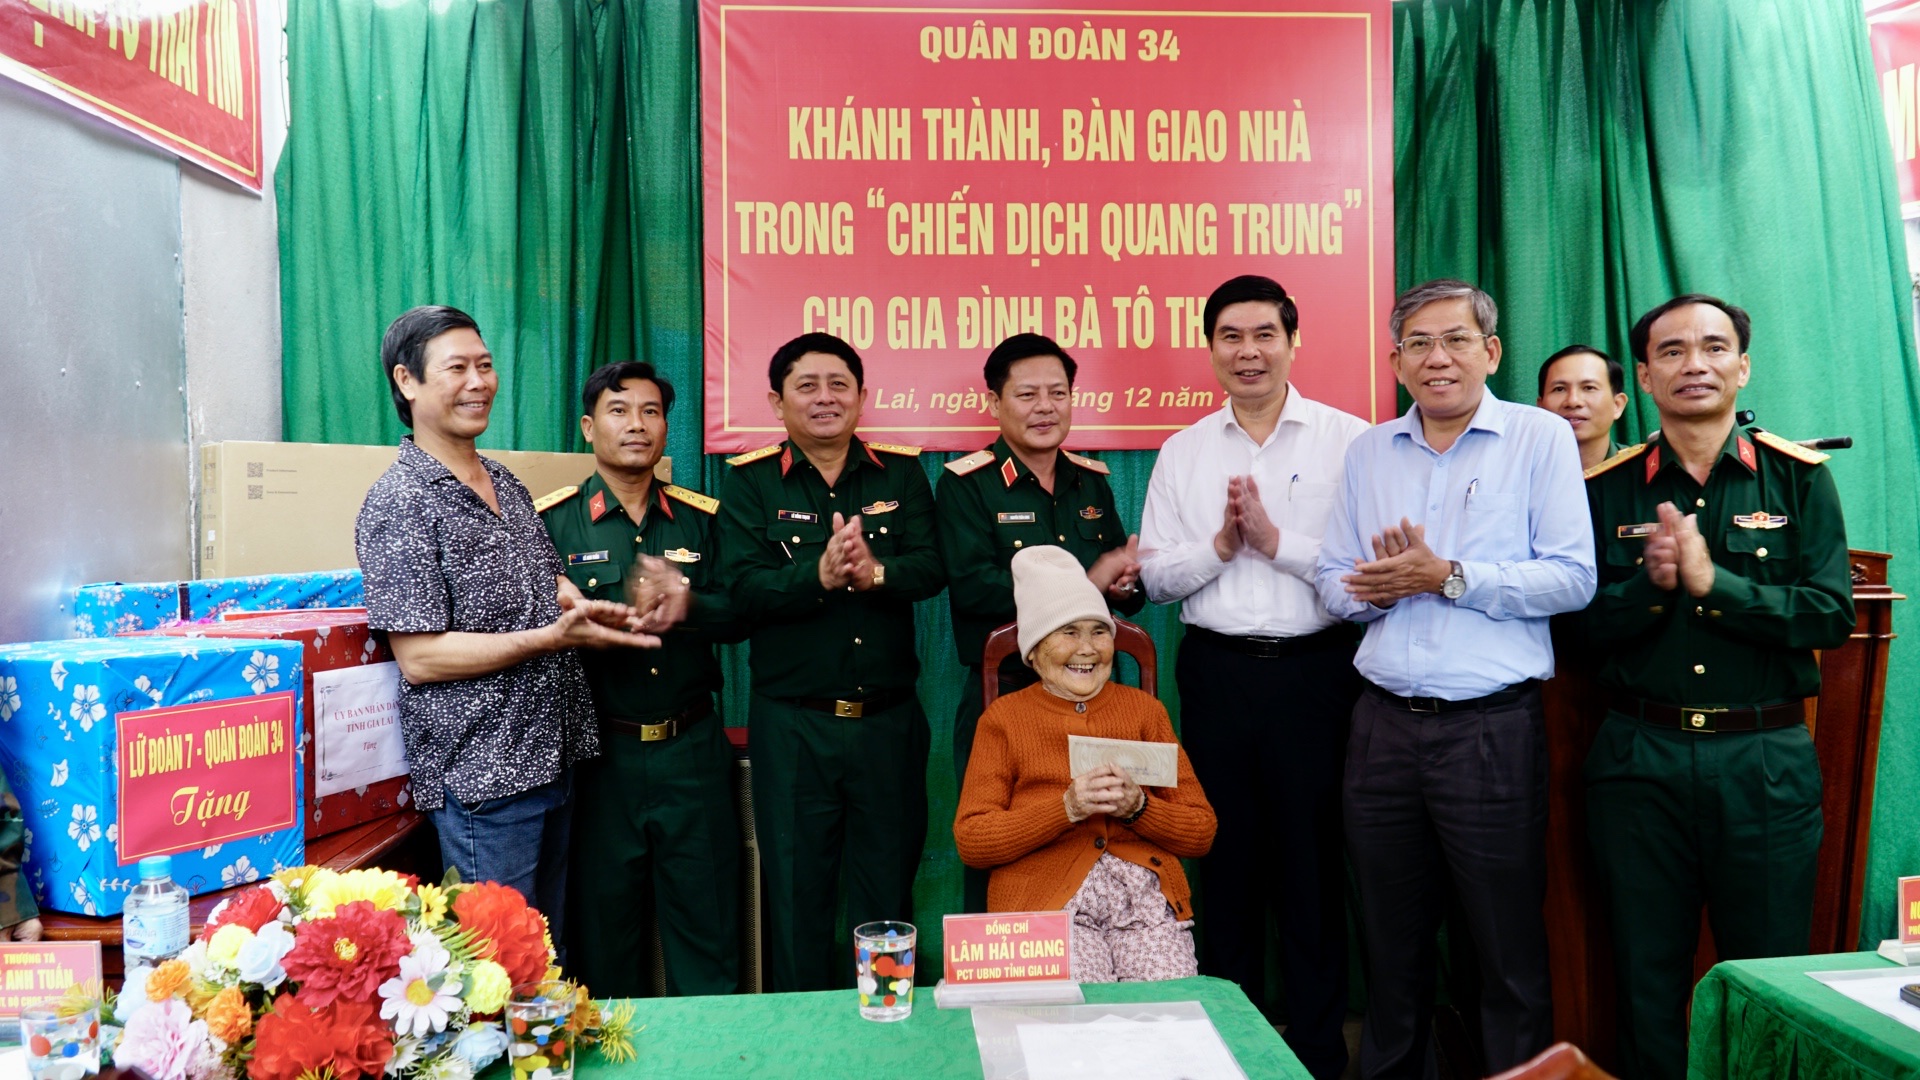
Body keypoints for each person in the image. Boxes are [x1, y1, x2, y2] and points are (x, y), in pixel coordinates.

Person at [1314, 279, 1596, 1078]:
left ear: (1491, 352)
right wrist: (1374, 588)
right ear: (1396, 359)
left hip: (1489, 731)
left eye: (1456, 340)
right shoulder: (1370, 451)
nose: (1438, 359)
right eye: (1419, 344)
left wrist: (1448, 576)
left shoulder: (1539, 439)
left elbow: (1573, 578)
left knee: (1505, 949)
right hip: (1381, 730)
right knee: (1390, 945)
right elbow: (1332, 582)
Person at [1581, 295, 1852, 1080]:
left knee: (1766, 980)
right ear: (1644, 375)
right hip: (1639, 761)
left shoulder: (1798, 481)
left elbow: (1831, 615)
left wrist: (1716, 583)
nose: (1693, 364)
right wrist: (1656, 588)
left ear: (1742, 366)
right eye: (1671, 351)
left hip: (1762, 761)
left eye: (1712, 348)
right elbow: (1578, 626)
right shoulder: (1609, 488)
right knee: (1645, 977)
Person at [355, 306, 663, 928]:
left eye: (487, 366)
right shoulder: (400, 502)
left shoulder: (503, 482)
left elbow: (545, 579)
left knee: (545, 961)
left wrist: (584, 604)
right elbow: (419, 658)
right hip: (485, 780)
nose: (479, 382)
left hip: (553, 757)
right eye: (458, 368)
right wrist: (550, 638)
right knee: (498, 969)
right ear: (407, 382)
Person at [1138, 274, 1367, 1078]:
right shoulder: (1183, 451)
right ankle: (1226, 1051)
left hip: (1318, 678)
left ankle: (1313, 1056)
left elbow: (1368, 575)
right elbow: (1159, 580)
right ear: (1210, 350)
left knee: (1310, 874)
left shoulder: (1350, 440)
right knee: (1224, 868)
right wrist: (1223, 548)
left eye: (1264, 334)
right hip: (1218, 678)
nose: (1248, 352)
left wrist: (1276, 543)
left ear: (1293, 342)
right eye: (1230, 336)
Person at [717, 332, 947, 992]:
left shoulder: (900, 474)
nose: (825, 398)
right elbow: (740, 587)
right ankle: (805, 1043)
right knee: (796, 899)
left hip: (888, 723)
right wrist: (815, 575)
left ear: (862, 396)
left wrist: (876, 573)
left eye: (839, 384)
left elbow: (933, 566)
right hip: (794, 726)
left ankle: (885, 1027)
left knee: (886, 895)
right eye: (807, 386)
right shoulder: (751, 483)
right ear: (776, 400)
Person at [538, 360, 746, 997]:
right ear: (587, 427)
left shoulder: (702, 519)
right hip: (602, 760)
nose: (637, 425)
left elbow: (746, 611)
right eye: (620, 410)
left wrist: (691, 603)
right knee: (605, 944)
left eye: (651, 412)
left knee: (710, 938)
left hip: (692, 752)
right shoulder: (551, 523)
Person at [935, 333, 1142, 912]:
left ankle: (1101, 974)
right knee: (998, 842)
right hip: (1005, 697)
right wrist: (1088, 584)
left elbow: (1123, 594)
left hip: (1094, 698)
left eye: (1058, 392)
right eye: (1027, 394)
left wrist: (1123, 583)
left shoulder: (1091, 480)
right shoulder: (966, 484)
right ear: (994, 403)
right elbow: (975, 586)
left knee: (1102, 835)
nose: (1045, 407)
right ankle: (995, 982)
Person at [954, 545, 1216, 981]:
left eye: (1099, 631)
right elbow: (973, 840)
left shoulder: (1145, 713)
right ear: (1035, 652)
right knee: (1076, 1023)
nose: (1087, 649)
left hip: (1142, 901)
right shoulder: (1003, 719)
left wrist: (1139, 810)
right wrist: (1066, 808)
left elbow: (1201, 830)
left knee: (1166, 1015)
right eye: (1068, 632)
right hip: (1044, 905)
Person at [1537, 344, 1631, 471]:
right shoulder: (1519, 470)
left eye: (1589, 388)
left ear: (1617, 405)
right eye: (1559, 389)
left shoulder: (1642, 472)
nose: (1573, 401)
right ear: (1540, 407)